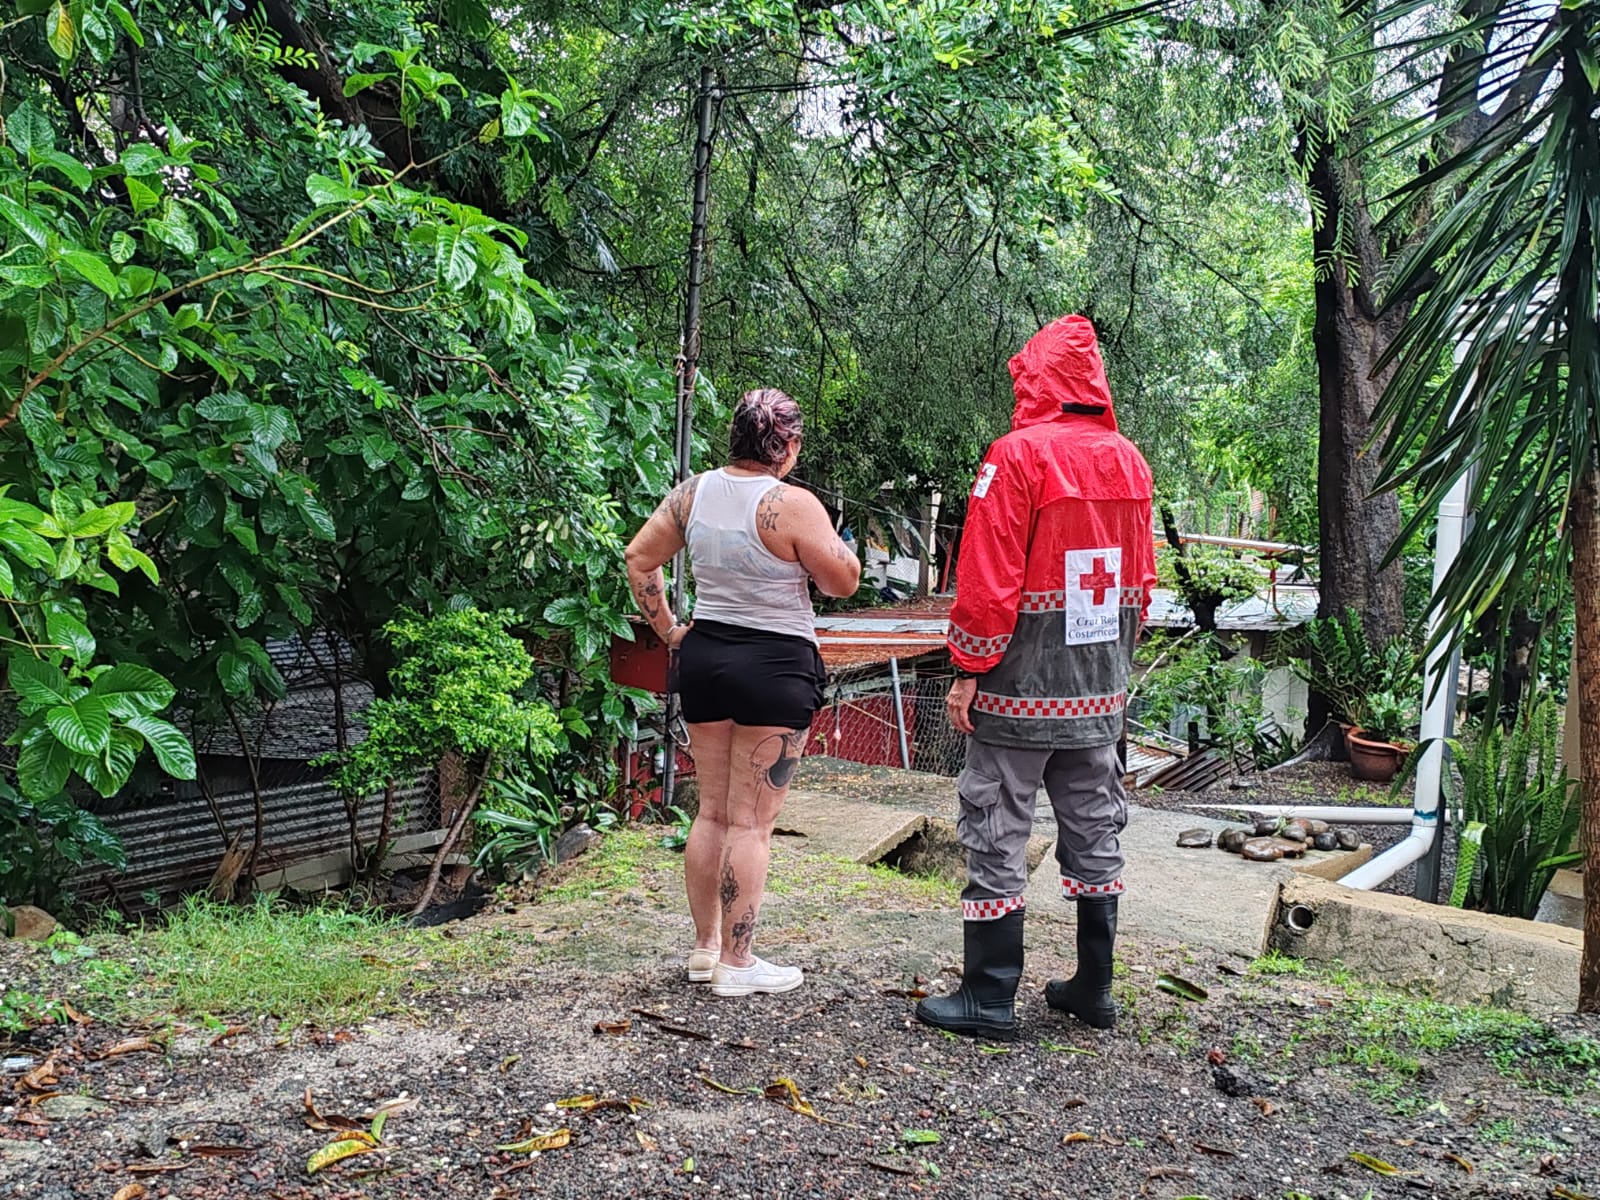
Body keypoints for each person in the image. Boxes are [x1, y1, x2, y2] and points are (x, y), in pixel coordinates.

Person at [915, 315, 1155, 1040]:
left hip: (1019, 689)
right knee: (1094, 825)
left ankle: (990, 997)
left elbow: (988, 582)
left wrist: (967, 671)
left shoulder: (1015, 458)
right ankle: (1094, 989)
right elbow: (1140, 585)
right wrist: (1114, 672)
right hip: (1099, 692)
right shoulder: (1130, 462)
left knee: (996, 825)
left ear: (1039, 380)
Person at [625, 389, 861, 998]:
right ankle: (739, 960)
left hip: (706, 657)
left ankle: (704, 950)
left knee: (711, 810)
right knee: (752, 825)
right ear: (788, 445)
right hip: (775, 663)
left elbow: (639, 558)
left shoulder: (692, 493)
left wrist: (670, 630)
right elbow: (840, 582)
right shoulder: (792, 503)